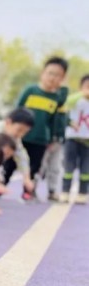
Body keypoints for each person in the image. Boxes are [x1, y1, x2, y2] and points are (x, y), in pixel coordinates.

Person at [16, 56, 68, 200]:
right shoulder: (31, 90)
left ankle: (28, 191)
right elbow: (18, 109)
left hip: (40, 139)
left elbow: (55, 121)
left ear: (63, 78)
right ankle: (0, 184)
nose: (52, 78)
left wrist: (52, 138)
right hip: (23, 135)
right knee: (11, 161)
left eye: (58, 75)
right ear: (42, 73)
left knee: (35, 166)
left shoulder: (57, 98)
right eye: (50, 73)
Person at [0, 108, 36, 198]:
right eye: (19, 130)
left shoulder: (15, 139)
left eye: (24, 132)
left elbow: (22, 157)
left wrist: (26, 178)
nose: (20, 134)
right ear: (8, 122)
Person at [60, 74, 89, 204]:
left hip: (87, 142)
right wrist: (81, 93)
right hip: (72, 139)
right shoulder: (75, 100)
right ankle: (65, 192)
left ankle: (82, 193)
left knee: (86, 170)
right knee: (68, 167)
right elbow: (67, 103)